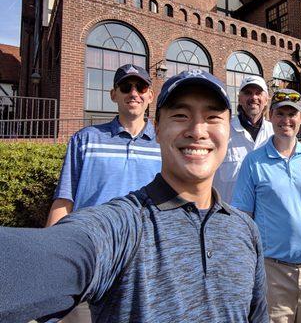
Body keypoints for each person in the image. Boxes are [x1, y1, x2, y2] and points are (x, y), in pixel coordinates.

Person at [0, 70, 268, 323]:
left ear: (227, 129)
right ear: (158, 128)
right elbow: (57, 251)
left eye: (212, 117)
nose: (197, 131)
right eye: (180, 115)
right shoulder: (124, 226)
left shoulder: (245, 230)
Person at [232, 88, 301, 323]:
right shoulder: (253, 162)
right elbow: (242, 219)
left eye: (292, 114)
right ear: (270, 117)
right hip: (273, 274)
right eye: (280, 114)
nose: (286, 120)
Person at [46, 64, 161, 227]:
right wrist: (50, 247)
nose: (134, 93)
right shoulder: (85, 139)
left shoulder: (164, 142)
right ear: (113, 95)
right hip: (91, 242)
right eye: (126, 87)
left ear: (150, 96)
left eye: (141, 87)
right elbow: (64, 200)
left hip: (146, 245)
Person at [214, 76, 273, 202]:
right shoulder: (222, 131)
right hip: (229, 216)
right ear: (239, 99)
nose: (254, 98)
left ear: (266, 100)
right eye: (248, 93)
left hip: (265, 217)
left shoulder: (274, 133)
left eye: (258, 93)